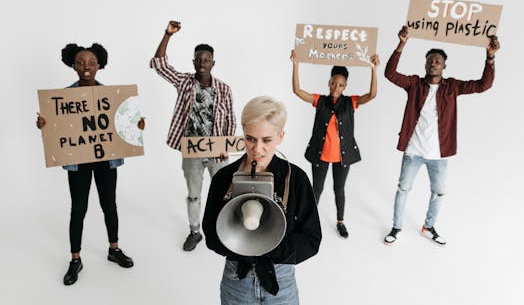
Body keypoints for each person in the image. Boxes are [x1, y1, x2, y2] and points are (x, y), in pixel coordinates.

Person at [36, 43, 144, 285]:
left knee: (110, 205)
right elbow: (57, 129)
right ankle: (75, 259)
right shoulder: (60, 98)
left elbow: (122, 127)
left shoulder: (113, 97)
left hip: (106, 160)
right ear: (73, 65)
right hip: (79, 162)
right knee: (78, 209)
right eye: (81, 62)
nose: (87, 67)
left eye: (92, 62)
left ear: (100, 65)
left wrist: (135, 127)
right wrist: (46, 125)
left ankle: (113, 249)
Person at [383, 26, 500, 246]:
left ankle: (429, 226)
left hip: (439, 154)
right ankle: (397, 227)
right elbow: (390, 74)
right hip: (413, 152)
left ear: (444, 66)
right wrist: (402, 44)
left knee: (438, 193)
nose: (433, 63)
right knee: (403, 190)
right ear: (425, 64)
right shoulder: (415, 84)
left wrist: (490, 57)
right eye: (430, 60)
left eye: (437, 60)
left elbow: (483, 85)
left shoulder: (452, 87)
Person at [203, 96, 321, 304]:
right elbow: (211, 235)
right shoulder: (224, 178)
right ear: (243, 132)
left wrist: (269, 244)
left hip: (280, 282)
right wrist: (240, 245)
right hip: (236, 283)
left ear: (281, 136)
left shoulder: (296, 179)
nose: (257, 149)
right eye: (250, 139)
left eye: (266, 140)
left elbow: (311, 239)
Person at [149, 21, 236, 251]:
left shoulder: (224, 89)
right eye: (198, 60)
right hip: (192, 150)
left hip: (217, 150)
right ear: (193, 62)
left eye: (206, 60)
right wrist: (167, 34)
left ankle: (222, 229)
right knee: (194, 195)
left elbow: (230, 120)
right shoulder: (185, 83)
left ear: (213, 63)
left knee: (223, 192)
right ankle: (195, 231)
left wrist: (226, 145)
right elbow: (159, 65)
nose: (202, 64)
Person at [290, 50, 379, 238]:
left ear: (345, 86)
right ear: (329, 82)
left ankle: (340, 221)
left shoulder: (350, 102)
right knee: (317, 189)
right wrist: (296, 63)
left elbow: (371, 94)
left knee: (339, 189)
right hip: (320, 154)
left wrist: (374, 69)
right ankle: (307, 221)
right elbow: (297, 91)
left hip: (342, 156)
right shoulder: (320, 101)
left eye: (340, 85)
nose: (336, 87)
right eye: (333, 83)